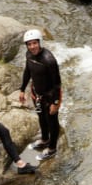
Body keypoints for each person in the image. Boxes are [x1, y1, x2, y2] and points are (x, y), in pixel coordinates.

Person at [17, 28, 62, 160]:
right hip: (37, 94)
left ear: (39, 42)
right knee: (41, 117)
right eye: (29, 44)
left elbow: (57, 84)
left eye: (34, 43)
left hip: (50, 96)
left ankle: (52, 148)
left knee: (52, 121)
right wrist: (22, 89)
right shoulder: (29, 55)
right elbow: (28, 71)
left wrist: (55, 103)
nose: (32, 47)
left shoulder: (49, 60)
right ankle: (44, 139)